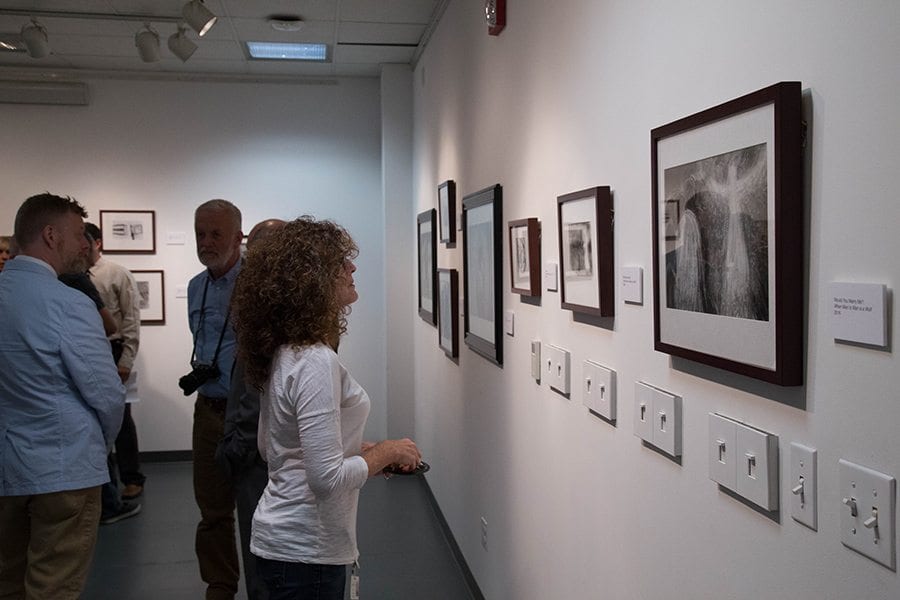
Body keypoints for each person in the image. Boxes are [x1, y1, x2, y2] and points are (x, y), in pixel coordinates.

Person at [232, 217, 421, 600]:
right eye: (340, 263)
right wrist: (386, 452)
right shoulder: (315, 360)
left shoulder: (286, 350)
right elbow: (326, 479)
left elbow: (275, 448)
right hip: (308, 551)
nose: (352, 269)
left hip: (284, 545)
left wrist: (361, 450)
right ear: (311, 279)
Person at [0, 193, 126, 599]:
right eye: (77, 236)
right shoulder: (69, 303)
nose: (84, 246)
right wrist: (103, 443)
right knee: (53, 587)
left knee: (7, 581)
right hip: (65, 467)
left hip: (6, 468)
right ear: (51, 236)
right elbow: (105, 393)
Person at [216, 218, 285, 600]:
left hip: (264, 452)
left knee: (265, 555)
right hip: (262, 449)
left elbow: (252, 389)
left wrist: (237, 445)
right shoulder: (269, 307)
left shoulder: (272, 311)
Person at [186, 199, 243, 600]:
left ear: (239, 237)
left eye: (216, 234)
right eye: (200, 234)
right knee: (212, 511)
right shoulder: (195, 286)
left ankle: (265, 581)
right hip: (207, 410)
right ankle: (220, 584)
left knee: (260, 505)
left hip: (249, 414)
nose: (206, 242)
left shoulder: (257, 286)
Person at [85, 221, 146, 502]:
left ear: (97, 243)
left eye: (85, 240)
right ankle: (102, 483)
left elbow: (131, 320)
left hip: (113, 350)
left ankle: (132, 478)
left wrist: (126, 361)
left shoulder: (116, 274)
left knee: (120, 419)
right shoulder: (67, 275)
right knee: (91, 420)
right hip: (85, 350)